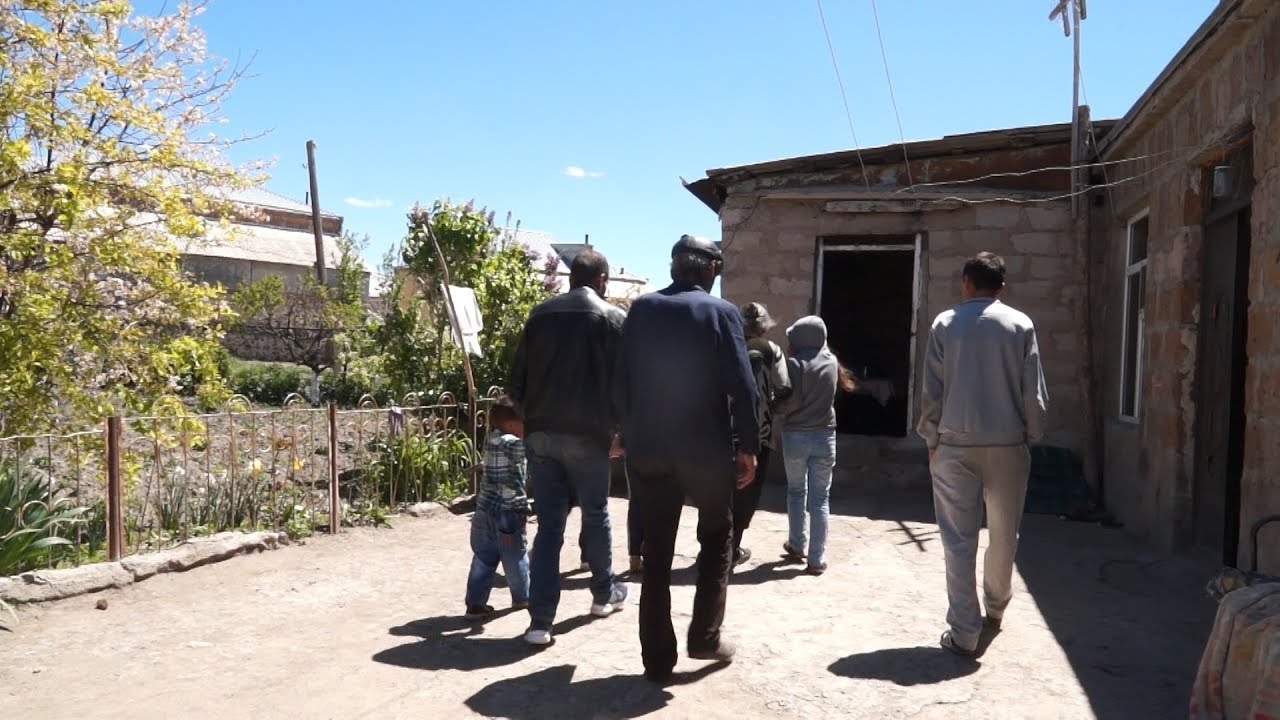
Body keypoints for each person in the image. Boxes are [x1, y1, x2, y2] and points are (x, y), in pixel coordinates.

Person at [614, 234, 759, 682]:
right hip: (705, 450)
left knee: (656, 552)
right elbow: (742, 384)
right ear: (709, 270)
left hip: (650, 448)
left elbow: (620, 376)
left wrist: (622, 430)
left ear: (675, 267)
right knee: (717, 538)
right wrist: (749, 446)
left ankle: (657, 661)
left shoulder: (642, 308)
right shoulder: (721, 313)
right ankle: (705, 638)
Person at [917, 251, 1048, 657]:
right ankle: (995, 608)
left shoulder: (945, 324)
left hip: (954, 446)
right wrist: (1032, 435)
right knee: (1005, 535)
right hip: (1008, 445)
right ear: (1002, 287)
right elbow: (1034, 392)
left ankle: (964, 632)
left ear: (965, 282)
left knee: (958, 541)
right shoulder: (1020, 324)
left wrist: (931, 438)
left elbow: (931, 391)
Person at [509, 249, 628, 647]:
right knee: (595, 513)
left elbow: (516, 383)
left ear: (569, 277)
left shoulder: (539, 315)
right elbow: (625, 385)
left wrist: (535, 422)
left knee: (548, 528)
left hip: (541, 435)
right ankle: (602, 594)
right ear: (603, 280)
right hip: (589, 436)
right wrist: (619, 431)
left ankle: (540, 622)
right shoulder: (613, 319)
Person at [776, 315, 854, 576]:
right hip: (825, 437)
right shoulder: (832, 362)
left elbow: (791, 401)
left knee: (797, 491)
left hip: (796, 436)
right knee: (821, 499)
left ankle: (797, 544)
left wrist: (776, 407)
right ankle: (816, 559)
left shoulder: (795, 364)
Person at [730, 302, 792, 567]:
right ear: (765, 325)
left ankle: (713, 546)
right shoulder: (772, 351)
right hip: (758, 432)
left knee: (720, 490)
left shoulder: (727, 346)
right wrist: (773, 408)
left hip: (722, 431)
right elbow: (785, 387)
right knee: (748, 490)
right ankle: (732, 547)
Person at [464, 396, 530, 619]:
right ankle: (522, 597)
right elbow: (529, 450)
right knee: (516, 557)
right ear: (512, 424)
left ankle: (475, 603)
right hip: (509, 511)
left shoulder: (491, 439)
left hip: (484, 510)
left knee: (484, 558)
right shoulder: (512, 442)